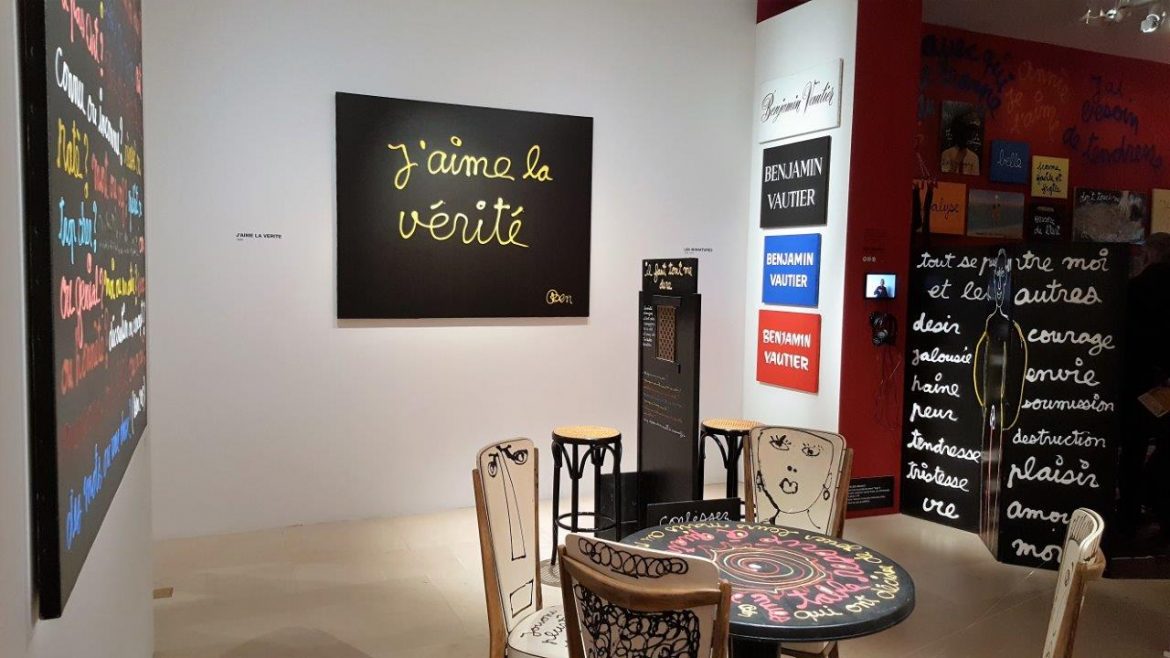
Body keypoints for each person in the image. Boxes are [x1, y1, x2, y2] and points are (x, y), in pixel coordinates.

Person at [1120, 233, 1170, 536]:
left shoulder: (1133, 289)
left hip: (1137, 381)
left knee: (1133, 449)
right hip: (1166, 380)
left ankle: (1128, 513)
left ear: (1148, 254)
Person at [940, 110, 982, 175]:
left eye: (972, 132)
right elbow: (944, 177)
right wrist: (957, 160)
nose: (970, 135)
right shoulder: (947, 153)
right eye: (967, 131)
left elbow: (974, 178)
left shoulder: (974, 157)